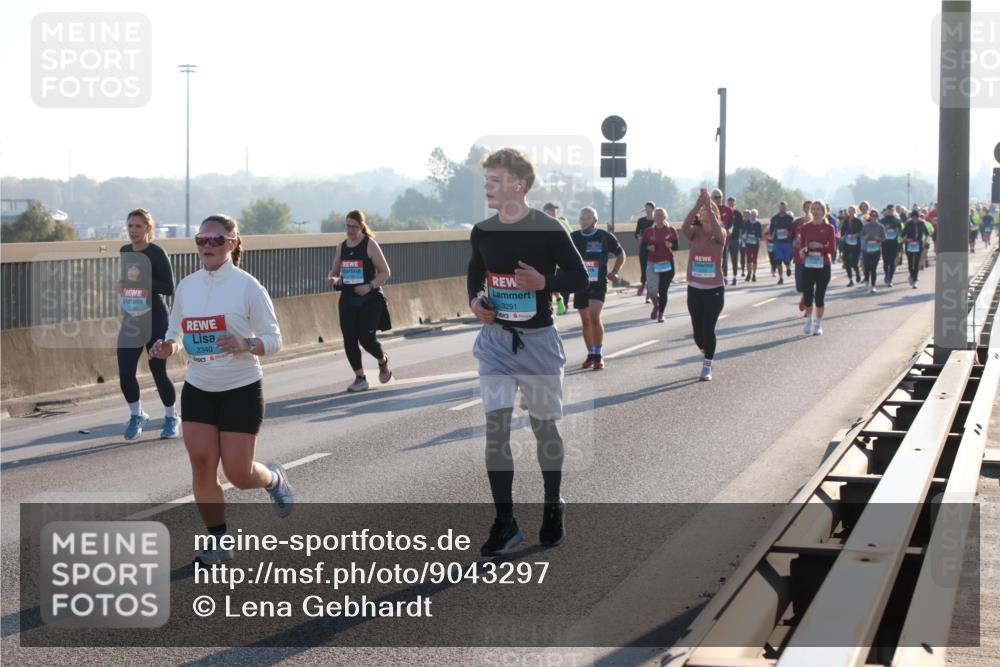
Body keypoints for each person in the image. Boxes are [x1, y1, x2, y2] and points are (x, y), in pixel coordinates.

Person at [150, 214, 292, 565]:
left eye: (216, 239)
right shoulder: (188, 286)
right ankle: (217, 542)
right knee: (201, 464)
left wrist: (245, 342)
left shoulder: (247, 287)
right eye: (202, 240)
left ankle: (273, 479)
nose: (208, 246)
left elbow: (275, 340)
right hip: (199, 385)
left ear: (233, 243)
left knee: (239, 474)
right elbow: (176, 334)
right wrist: (168, 347)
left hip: (240, 387)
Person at [467, 148, 587, 556]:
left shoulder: (548, 229)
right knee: (496, 430)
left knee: (544, 431)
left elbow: (581, 279)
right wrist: (475, 304)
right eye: (487, 180)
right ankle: (505, 522)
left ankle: (553, 506)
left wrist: (545, 282)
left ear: (518, 184)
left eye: (495, 179)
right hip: (497, 343)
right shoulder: (482, 231)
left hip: (537, 344)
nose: (488, 186)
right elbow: (473, 274)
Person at [116, 209, 178, 441]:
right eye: (130, 226)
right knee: (125, 373)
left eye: (138, 226)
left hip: (155, 317)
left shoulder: (156, 252)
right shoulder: (125, 251)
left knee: (158, 372)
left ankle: (171, 417)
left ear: (148, 229)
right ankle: (136, 414)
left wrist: (142, 282)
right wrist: (122, 285)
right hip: (132, 316)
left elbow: (168, 287)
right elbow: (127, 279)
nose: (133, 231)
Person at [325, 210, 393, 392]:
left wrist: (369, 286)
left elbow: (385, 272)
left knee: (367, 339)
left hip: (369, 300)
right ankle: (360, 378)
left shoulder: (370, 245)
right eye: (347, 226)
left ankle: (382, 360)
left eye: (354, 227)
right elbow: (335, 271)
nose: (350, 230)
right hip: (348, 299)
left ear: (362, 226)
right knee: (349, 339)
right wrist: (331, 278)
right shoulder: (341, 247)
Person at [571, 206, 625, 368]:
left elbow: (621, 254)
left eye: (587, 218)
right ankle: (590, 354)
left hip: (598, 283)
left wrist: (615, 271)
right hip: (581, 283)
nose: (584, 220)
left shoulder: (604, 236)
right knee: (585, 321)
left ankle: (599, 355)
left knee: (594, 316)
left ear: (595, 220)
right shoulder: (573, 237)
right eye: (581, 218)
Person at [682, 189, 727, 381]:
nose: (704, 215)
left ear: (714, 215)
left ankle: (707, 365)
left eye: (708, 212)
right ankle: (706, 350)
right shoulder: (695, 232)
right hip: (695, 289)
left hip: (714, 290)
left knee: (708, 329)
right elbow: (684, 226)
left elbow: (719, 233)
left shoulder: (720, 233)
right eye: (702, 214)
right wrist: (698, 205)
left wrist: (709, 206)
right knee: (697, 333)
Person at [798, 201, 837, 336]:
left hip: (823, 264)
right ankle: (808, 320)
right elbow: (802, 245)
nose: (815, 211)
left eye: (818, 209)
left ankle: (818, 323)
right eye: (813, 209)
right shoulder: (805, 227)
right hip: (808, 264)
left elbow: (832, 249)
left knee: (819, 297)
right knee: (808, 296)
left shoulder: (829, 228)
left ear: (823, 211)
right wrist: (803, 251)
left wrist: (820, 245)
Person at [641, 207, 679, 322]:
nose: (658, 217)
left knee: (663, 291)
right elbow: (642, 247)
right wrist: (648, 247)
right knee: (652, 291)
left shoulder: (671, 230)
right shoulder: (648, 231)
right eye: (656, 215)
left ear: (665, 217)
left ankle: (661, 314)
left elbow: (677, 246)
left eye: (660, 215)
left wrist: (671, 245)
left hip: (667, 264)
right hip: (653, 263)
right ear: (654, 217)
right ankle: (656, 305)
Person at [544, 202, 573, 314]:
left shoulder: (563, 222)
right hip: (551, 260)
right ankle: (558, 302)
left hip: (564, 259)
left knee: (564, 284)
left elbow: (572, 236)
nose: (554, 211)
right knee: (551, 284)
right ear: (545, 212)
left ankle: (563, 303)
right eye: (551, 209)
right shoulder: (542, 224)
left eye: (554, 209)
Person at [792, 200, 813, 313]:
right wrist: (793, 241)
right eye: (807, 207)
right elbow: (791, 236)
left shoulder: (818, 223)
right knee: (800, 286)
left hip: (813, 258)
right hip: (799, 258)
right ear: (804, 209)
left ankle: (807, 307)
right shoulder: (797, 222)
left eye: (812, 207)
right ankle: (803, 296)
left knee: (810, 283)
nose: (809, 209)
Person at [634, 202, 656, 300]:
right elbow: (636, 233)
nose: (647, 210)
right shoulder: (641, 221)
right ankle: (643, 284)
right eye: (645, 208)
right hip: (644, 247)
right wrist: (639, 237)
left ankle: (650, 292)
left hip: (655, 248)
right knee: (644, 268)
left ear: (652, 209)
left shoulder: (657, 220)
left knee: (653, 270)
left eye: (648, 208)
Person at [861, 211, 886, 293]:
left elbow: (884, 238)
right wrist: (865, 237)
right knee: (867, 268)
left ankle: (873, 286)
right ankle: (867, 283)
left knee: (873, 268)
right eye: (872, 216)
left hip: (876, 250)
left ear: (877, 217)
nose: (873, 218)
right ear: (870, 217)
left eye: (875, 216)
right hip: (867, 249)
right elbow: (861, 236)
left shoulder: (881, 227)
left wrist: (879, 238)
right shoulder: (865, 226)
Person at [769, 201, 795, 283]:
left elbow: (793, 231)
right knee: (778, 260)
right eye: (781, 207)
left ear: (786, 208)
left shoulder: (790, 218)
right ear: (779, 208)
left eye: (784, 207)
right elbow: (771, 230)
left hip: (787, 242)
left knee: (786, 260)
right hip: (778, 242)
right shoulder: (774, 218)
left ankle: (788, 267)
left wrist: (789, 233)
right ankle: (781, 278)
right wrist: (772, 235)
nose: (782, 209)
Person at [903, 209, 928, 288]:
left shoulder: (922, 223)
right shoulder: (908, 224)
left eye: (916, 217)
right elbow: (902, 235)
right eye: (913, 217)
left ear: (918, 217)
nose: (914, 219)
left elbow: (927, 233)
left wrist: (924, 241)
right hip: (909, 245)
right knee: (910, 262)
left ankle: (915, 279)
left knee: (916, 263)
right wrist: (907, 240)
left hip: (918, 244)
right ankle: (911, 274)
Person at [840, 205, 864, 286]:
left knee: (854, 262)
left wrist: (857, 234)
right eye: (849, 210)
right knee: (847, 262)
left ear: (855, 211)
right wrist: (843, 236)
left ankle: (857, 273)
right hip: (847, 243)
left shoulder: (858, 220)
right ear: (848, 212)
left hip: (856, 243)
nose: (851, 212)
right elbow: (842, 231)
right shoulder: (845, 221)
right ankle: (850, 280)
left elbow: (862, 231)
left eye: (852, 210)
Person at [880, 205, 903, 287]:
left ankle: (890, 279)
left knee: (893, 262)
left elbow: (900, 231)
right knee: (886, 262)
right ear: (886, 210)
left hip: (894, 243)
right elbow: (879, 231)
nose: (890, 211)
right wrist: (885, 230)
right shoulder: (882, 220)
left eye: (892, 210)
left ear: (894, 211)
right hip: (885, 243)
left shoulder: (897, 220)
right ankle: (886, 275)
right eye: (889, 210)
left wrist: (897, 231)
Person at [742, 209, 763, 282]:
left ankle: (754, 274)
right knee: (748, 258)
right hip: (748, 242)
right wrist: (745, 235)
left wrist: (756, 235)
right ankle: (749, 273)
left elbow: (760, 235)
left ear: (756, 215)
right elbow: (743, 231)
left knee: (754, 259)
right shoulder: (747, 223)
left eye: (754, 215)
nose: (753, 216)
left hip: (755, 243)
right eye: (752, 215)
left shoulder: (758, 224)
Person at [727, 196, 745, 280]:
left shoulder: (738, 213)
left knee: (734, 258)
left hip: (735, 239)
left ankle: (734, 276)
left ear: (734, 203)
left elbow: (741, 227)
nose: (730, 204)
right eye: (729, 202)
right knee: (724, 260)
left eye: (732, 202)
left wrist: (741, 239)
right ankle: (725, 277)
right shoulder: (724, 212)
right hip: (726, 239)